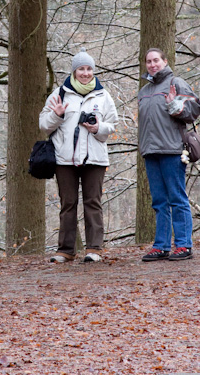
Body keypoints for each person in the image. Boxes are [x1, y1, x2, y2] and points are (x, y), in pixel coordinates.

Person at [39, 50, 119, 263]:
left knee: (93, 202)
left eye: (89, 69)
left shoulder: (103, 96)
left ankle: (95, 249)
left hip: (95, 158)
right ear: (74, 71)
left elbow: (112, 124)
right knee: (68, 203)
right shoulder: (59, 94)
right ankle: (65, 250)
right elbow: (43, 125)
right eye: (81, 69)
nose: (85, 73)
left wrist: (97, 127)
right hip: (64, 158)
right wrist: (56, 115)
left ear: (93, 70)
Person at [138, 48, 200, 262]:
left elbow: (193, 112)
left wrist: (174, 104)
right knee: (159, 202)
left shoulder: (177, 83)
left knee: (177, 198)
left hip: (172, 149)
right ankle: (161, 246)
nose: (152, 64)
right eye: (149, 61)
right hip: (151, 152)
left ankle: (184, 245)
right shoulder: (144, 91)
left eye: (156, 60)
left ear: (165, 61)